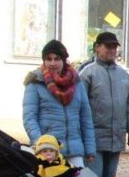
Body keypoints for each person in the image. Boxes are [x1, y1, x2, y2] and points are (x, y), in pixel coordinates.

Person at [80, 31, 129, 177]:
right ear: (97, 47)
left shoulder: (125, 77)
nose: (112, 50)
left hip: (116, 137)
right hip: (94, 138)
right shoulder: (87, 73)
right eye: (107, 46)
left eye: (114, 47)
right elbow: (81, 106)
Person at [22, 40, 96, 168]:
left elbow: (86, 118)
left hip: (74, 150)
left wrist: (90, 149)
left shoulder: (77, 82)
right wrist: (41, 145)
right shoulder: (35, 82)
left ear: (64, 60)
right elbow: (29, 118)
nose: (52, 63)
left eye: (57, 59)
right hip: (49, 152)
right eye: (48, 59)